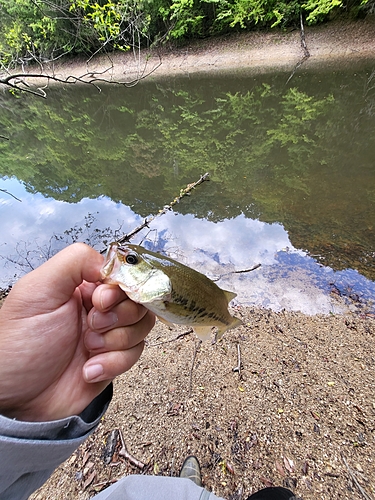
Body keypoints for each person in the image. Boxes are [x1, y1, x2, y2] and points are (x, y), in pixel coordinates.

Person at [0, 243, 298, 500]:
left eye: (131, 261)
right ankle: (187, 491)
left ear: (161, 283)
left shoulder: (161, 292)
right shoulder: (148, 290)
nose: (120, 258)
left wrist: (20, 416)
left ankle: (185, 490)